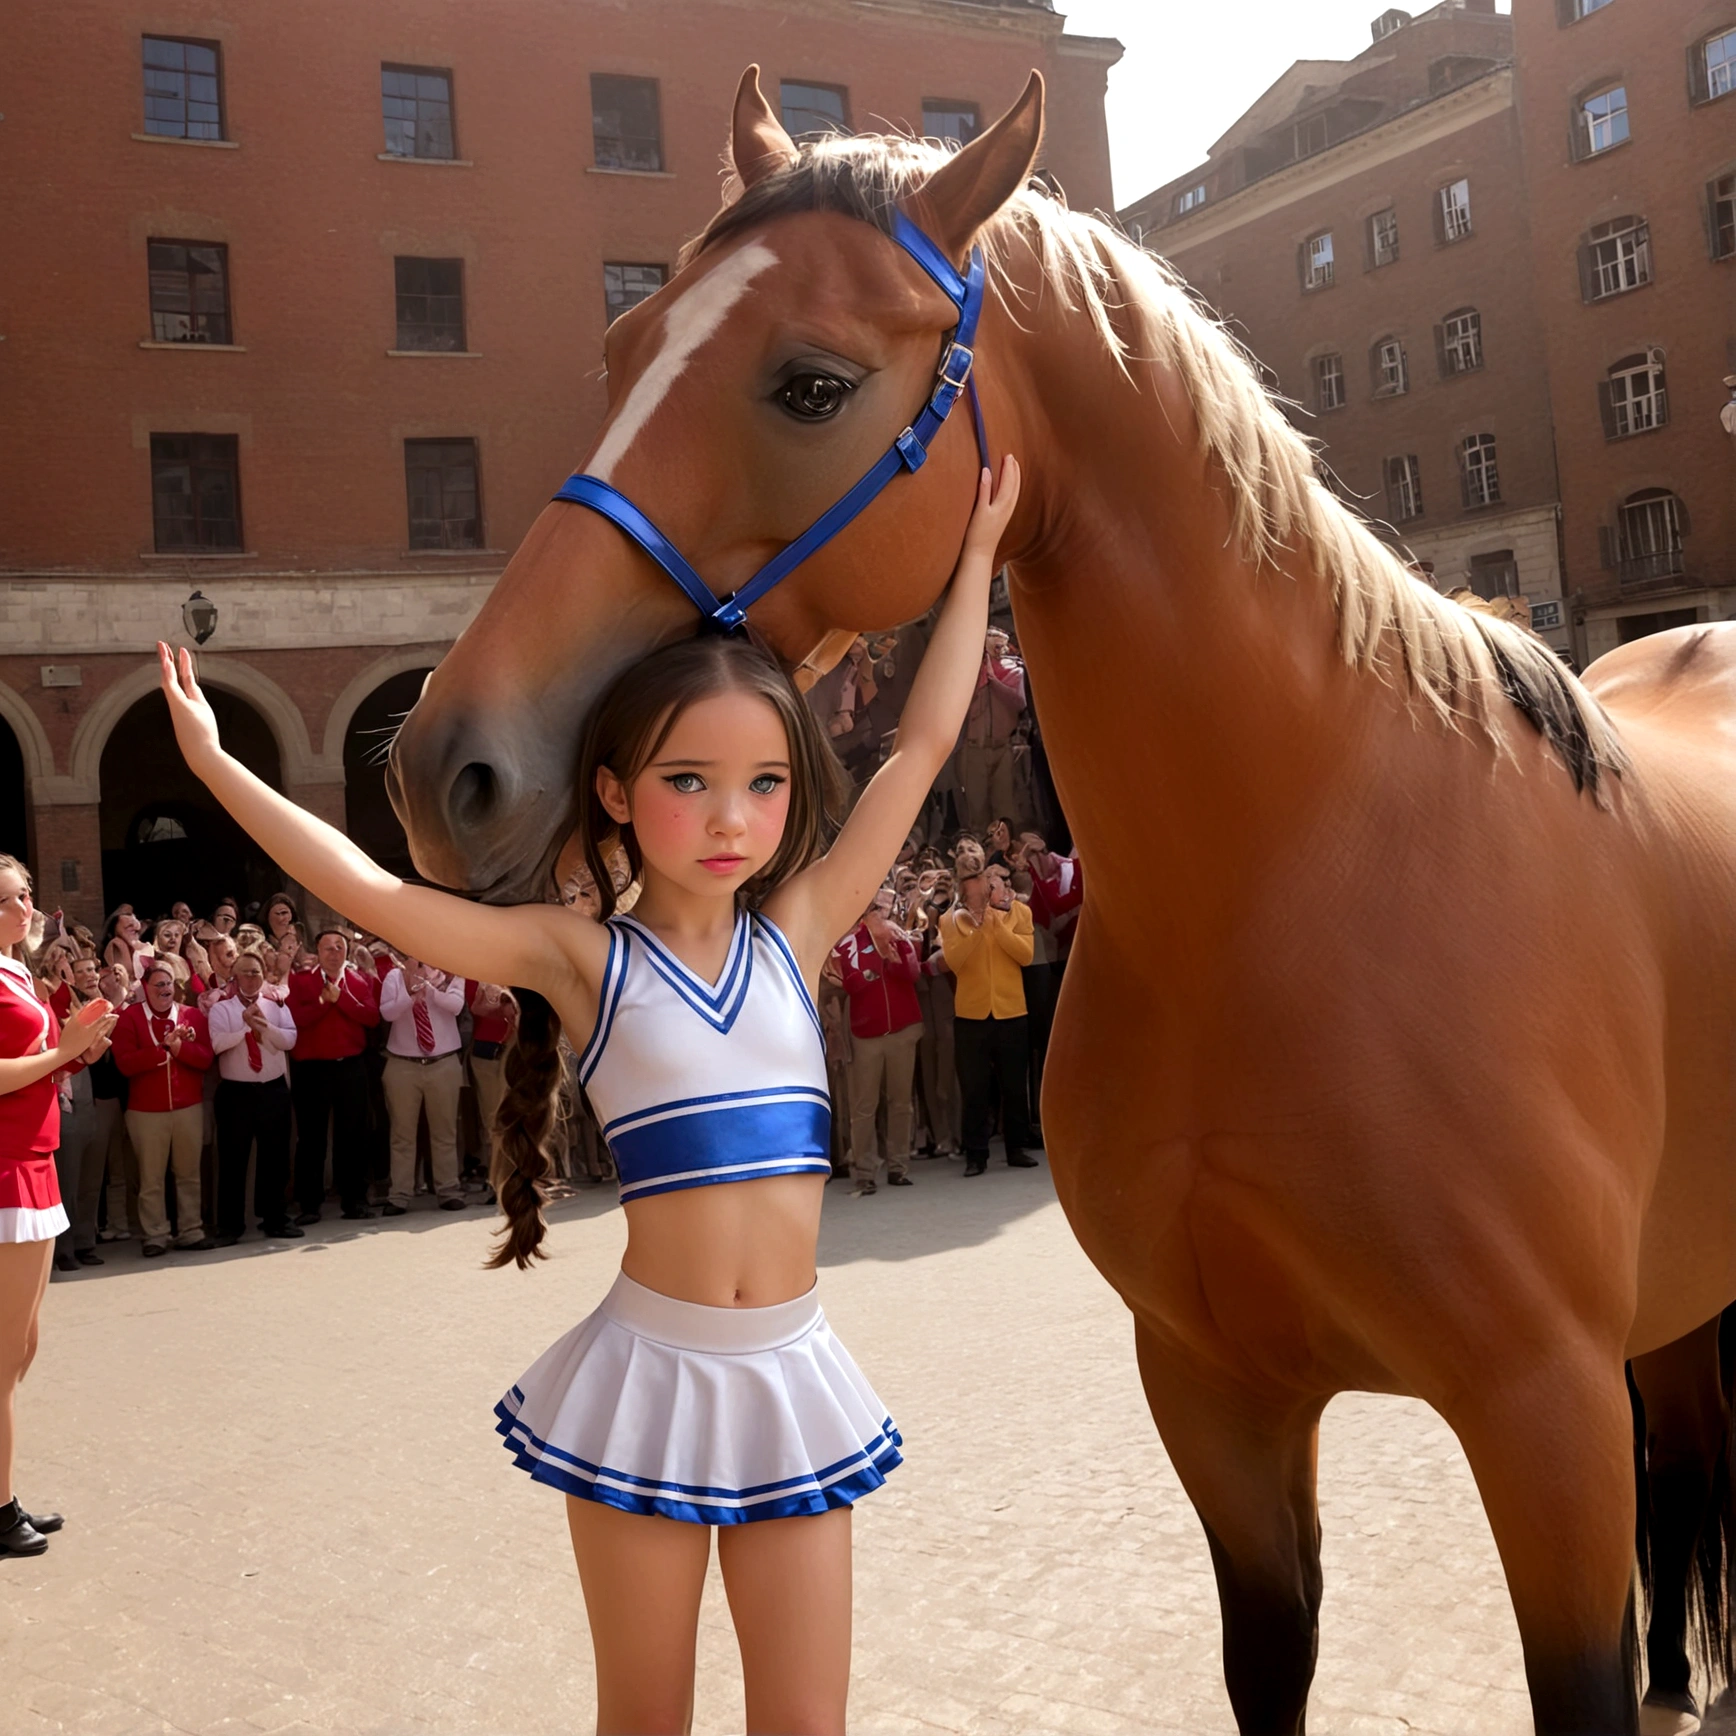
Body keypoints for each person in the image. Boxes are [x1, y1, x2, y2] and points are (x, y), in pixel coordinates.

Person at [156, 454, 1021, 1732]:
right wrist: (222, 767)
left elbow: (927, 742)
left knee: (809, 1721)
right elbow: (378, 895)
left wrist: (974, 560)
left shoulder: (801, 927)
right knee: (644, 1717)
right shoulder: (583, 958)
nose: (732, 816)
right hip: (649, 1378)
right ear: (616, 790)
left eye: (763, 784)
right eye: (689, 781)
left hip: (792, 1369)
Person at [0, 854, 116, 1556]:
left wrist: (77, 1052)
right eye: (15, 897)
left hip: (34, 1162)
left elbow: (37, 1057)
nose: (28, 905)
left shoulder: (14, 971)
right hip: (6, 1167)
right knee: (2, 1354)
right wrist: (59, 1052)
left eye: (26, 894)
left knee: (23, 1348)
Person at [940, 860, 1039, 1177]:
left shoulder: (1019, 915)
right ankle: (976, 1155)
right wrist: (977, 929)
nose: (983, 893)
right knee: (974, 1088)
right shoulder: (951, 920)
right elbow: (954, 961)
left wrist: (995, 925)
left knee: (1014, 1085)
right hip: (971, 1015)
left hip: (1012, 1012)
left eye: (987, 886)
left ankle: (1017, 1148)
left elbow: (1025, 956)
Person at [112, 960, 217, 1255]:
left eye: (169, 983)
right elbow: (125, 1063)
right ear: (145, 988)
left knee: (188, 1173)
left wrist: (179, 1049)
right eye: (158, 984)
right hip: (146, 1111)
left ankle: (190, 1230)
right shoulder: (130, 1018)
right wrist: (162, 1051)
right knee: (151, 1177)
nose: (165, 989)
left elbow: (206, 1058)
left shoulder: (192, 1015)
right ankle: (155, 1235)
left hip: (188, 1107)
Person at [831, 887, 923, 1196]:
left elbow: (912, 973)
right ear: (864, 916)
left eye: (886, 910)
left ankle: (898, 1166)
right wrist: (878, 964)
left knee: (900, 1102)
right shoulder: (849, 944)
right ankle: (866, 1172)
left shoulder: (899, 935)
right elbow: (853, 984)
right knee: (864, 1107)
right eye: (877, 911)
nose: (885, 915)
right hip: (867, 1036)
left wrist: (892, 955)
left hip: (902, 1030)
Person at [207, 949, 301, 1244]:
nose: (251, 977)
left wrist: (264, 1027)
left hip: (272, 1089)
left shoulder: (275, 1005)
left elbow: (290, 1038)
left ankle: (274, 1218)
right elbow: (217, 1044)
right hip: (237, 1093)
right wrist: (245, 1027)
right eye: (245, 972)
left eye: (256, 972)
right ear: (235, 977)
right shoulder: (222, 1008)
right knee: (233, 1161)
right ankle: (230, 1226)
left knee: (275, 1158)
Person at [287, 931, 381, 1223]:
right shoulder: (300, 981)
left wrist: (340, 999)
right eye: (327, 948)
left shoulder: (358, 981)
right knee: (311, 1138)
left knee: (353, 1135)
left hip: (350, 1066)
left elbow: (371, 1017)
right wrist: (324, 1002)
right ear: (317, 950)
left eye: (339, 947)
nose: (333, 952)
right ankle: (309, 1205)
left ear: (347, 951)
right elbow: (297, 1019)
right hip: (312, 1069)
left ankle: (354, 1200)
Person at [378, 956, 467, 1215]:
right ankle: (400, 1195)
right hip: (403, 1064)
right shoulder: (396, 977)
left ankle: (449, 1190)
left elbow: (456, 1006)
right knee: (402, 1134)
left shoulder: (451, 972)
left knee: (445, 1131)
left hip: (443, 1062)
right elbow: (388, 1013)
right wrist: (408, 991)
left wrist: (428, 988)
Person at [50, 955, 111, 1273]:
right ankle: (64, 1248)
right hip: (68, 1093)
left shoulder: (101, 1003)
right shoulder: (56, 1002)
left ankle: (86, 1240)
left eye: (92, 970)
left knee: (91, 1177)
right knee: (68, 1180)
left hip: (94, 1099)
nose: (90, 975)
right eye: (80, 971)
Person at [954, 627, 1025, 833]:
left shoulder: (1013, 671)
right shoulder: (971, 673)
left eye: (999, 643)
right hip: (973, 749)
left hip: (1003, 749)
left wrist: (994, 679)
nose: (996, 647)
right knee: (976, 810)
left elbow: (1019, 702)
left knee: (1006, 810)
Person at [465, 980, 517, 1189]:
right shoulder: (472, 976)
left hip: (516, 1051)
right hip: (486, 1055)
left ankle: (523, 1174)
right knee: (493, 1121)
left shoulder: (515, 966)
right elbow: (475, 1008)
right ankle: (498, 1180)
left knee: (520, 1116)